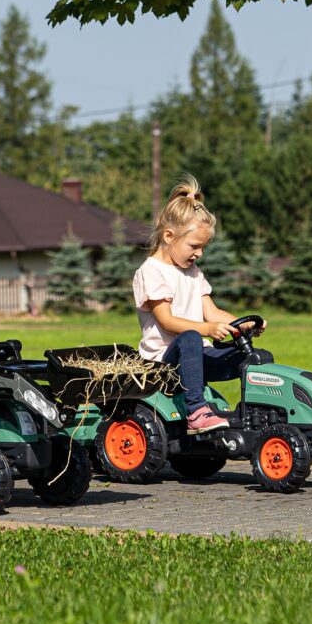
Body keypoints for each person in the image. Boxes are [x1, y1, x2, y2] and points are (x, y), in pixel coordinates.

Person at [133, 175, 265, 434]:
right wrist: (208, 329)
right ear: (169, 236)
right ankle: (196, 412)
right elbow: (167, 322)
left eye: (204, 247)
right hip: (162, 361)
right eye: (194, 246)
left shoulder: (193, 271)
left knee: (256, 359)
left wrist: (243, 323)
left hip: (196, 355)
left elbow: (212, 312)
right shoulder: (151, 271)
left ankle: (254, 417)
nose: (199, 254)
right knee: (191, 337)